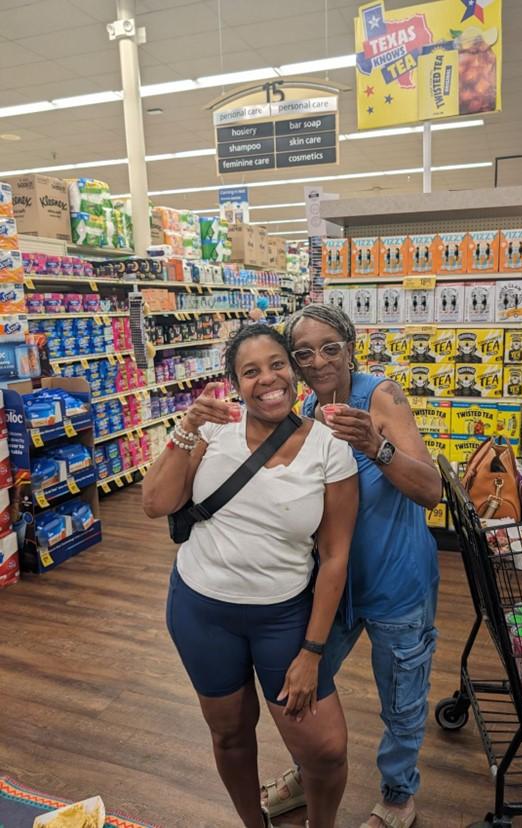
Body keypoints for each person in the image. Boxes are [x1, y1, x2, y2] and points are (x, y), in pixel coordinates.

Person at [142, 324, 358, 828]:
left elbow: (334, 558)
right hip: (201, 611)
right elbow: (156, 503)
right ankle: (252, 823)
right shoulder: (214, 431)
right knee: (231, 735)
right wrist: (187, 426)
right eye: (251, 371)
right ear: (235, 383)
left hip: (283, 619)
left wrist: (312, 651)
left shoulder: (329, 447)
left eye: (277, 364)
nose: (268, 380)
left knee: (326, 750)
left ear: (294, 370)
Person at [262, 305, 441, 828]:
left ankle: (398, 798)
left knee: (402, 702)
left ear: (349, 345)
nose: (318, 361)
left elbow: (430, 490)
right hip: (333, 589)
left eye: (329, 348)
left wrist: (376, 446)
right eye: (303, 353)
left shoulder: (379, 395)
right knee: (302, 689)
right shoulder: (305, 412)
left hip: (397, 584)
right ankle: (309, 770)